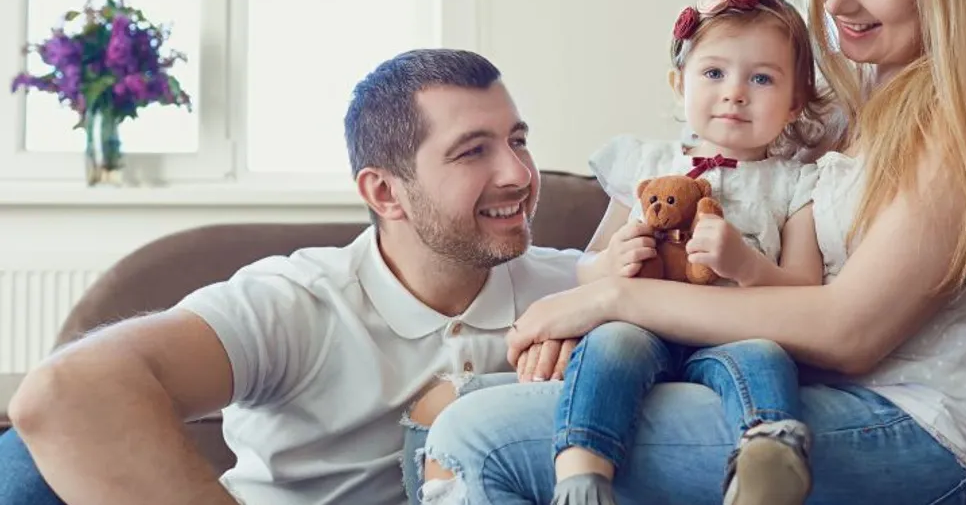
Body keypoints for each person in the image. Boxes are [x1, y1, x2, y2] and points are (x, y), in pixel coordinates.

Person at [414, 0, 966, 505]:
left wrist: (612, 298)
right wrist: (597, 327)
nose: (836, 0)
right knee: (440, 415)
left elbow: (849, 331)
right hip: (803, 395)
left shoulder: (965, 118)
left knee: (476, 436)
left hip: (922, 432)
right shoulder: (837, 104)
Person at [0, 49, 582, 505]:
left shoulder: (574, 291)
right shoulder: (297, 301)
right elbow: (63, 395)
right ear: (384, 192)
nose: (518, 173)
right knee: (27, 458)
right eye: (473, 151)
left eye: (518, 140)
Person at [415, 0, 841, 505]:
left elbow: (804, 289)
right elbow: (588, 271)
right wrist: (613, 262)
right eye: (713, 73)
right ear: (678, 83)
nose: (735, 92)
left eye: (761, 78)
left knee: (764, 357)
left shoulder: (794, 184)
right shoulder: (644, 165)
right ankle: (582, 474)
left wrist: (747, 265)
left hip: (736, 332)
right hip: (647, 329)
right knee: (609, 345)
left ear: (796, 101)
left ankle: (768, 456)